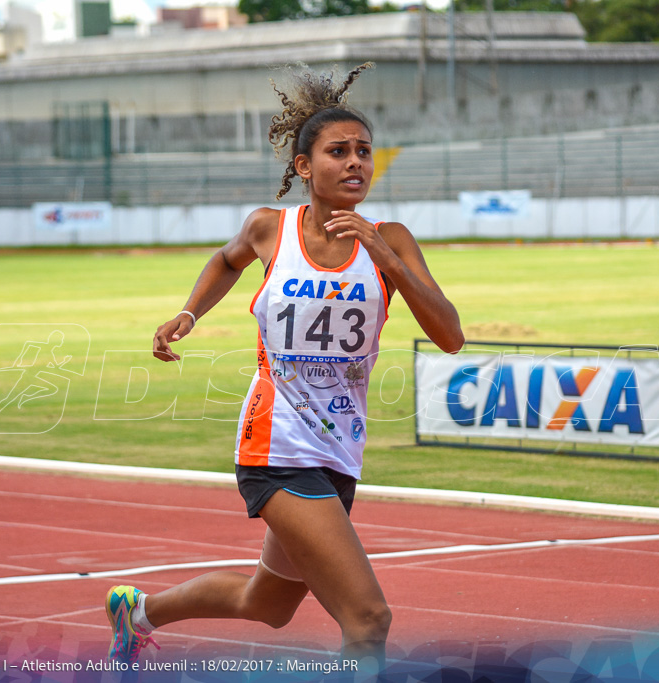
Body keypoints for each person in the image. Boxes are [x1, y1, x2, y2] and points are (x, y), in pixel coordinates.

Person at [104, 62, 463, 675]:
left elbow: (450, 336)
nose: (356, 163)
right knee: (369, 621)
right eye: (338, 151)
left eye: (365, 152)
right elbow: (226, 260)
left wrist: (386, 257)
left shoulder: (393, 240)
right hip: (276, 445)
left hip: (339, 450)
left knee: (265, 604)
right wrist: (187, 315)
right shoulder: (271, 229)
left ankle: (136, 613)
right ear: (304, 167)